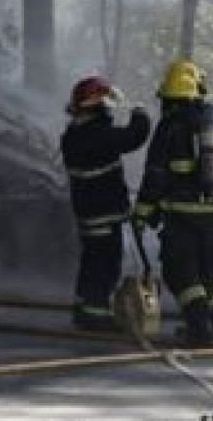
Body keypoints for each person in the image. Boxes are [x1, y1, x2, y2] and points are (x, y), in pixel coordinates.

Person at [132, 60, 213, 345]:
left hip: (181, 216)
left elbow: (155, 175)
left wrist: (142, 213)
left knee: (180, 269)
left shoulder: (169, 127)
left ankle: (199, 327)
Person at [59, 75, 151, 331]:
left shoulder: (74, 134)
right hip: (104, 213)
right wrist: (141, 114)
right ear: (100, 106)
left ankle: (83, 308)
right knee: (106, 264)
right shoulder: (98, 134)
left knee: (91, 261)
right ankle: (95, 315)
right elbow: (133, 137)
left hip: (88, 213)